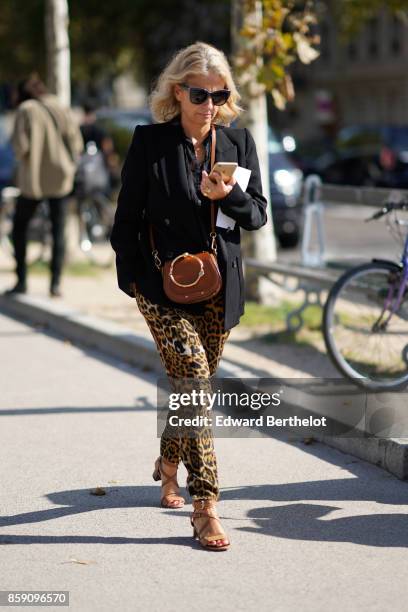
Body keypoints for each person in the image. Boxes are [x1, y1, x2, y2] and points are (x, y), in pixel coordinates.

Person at [110, 42, 267, 551]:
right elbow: (126, 220)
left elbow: (258, 215)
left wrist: (232, 197)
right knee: (194, 378)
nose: (210, 104)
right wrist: (134, 282)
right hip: (161, 286)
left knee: (190, 389)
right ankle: (207, 507)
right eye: (199, 93)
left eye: (219, 94)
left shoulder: (239, 143)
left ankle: (168, 463)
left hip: (219, 288)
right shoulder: (150, 143)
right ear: (178, 92)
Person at [4, 74, 83, 297]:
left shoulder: (26, 109)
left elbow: (20, 147)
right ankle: (55, 284)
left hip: (34, 180)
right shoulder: (60, 105)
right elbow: (76, 141)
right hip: (61, 178)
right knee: (58, 230)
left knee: (19, 229)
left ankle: (21, 281)